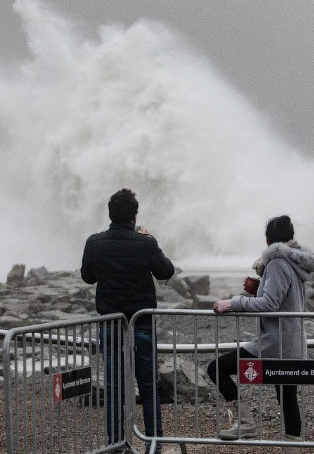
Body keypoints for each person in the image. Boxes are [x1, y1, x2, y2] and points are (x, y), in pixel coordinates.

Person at [207, 215, 314, 441]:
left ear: (268, 240)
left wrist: (232, 302)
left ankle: (246, 423)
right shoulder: (295, 263)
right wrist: (259, 288)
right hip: (291, 343)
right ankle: (292, 446)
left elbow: (270, 304)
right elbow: (284, 298)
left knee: (216, 368)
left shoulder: (278, 263)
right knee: (287, 398)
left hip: (274, 343)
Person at [81, 188, 175, 453]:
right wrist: (149, 237)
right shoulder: (145, 243)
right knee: (148, 387)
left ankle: (116, 444)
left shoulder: (94, 243)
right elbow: (166, 271)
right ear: (134, 217)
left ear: (110, 215)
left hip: (111, 324)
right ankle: (153, 445)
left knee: (113, 388)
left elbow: (88, 277)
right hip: (141, 323)